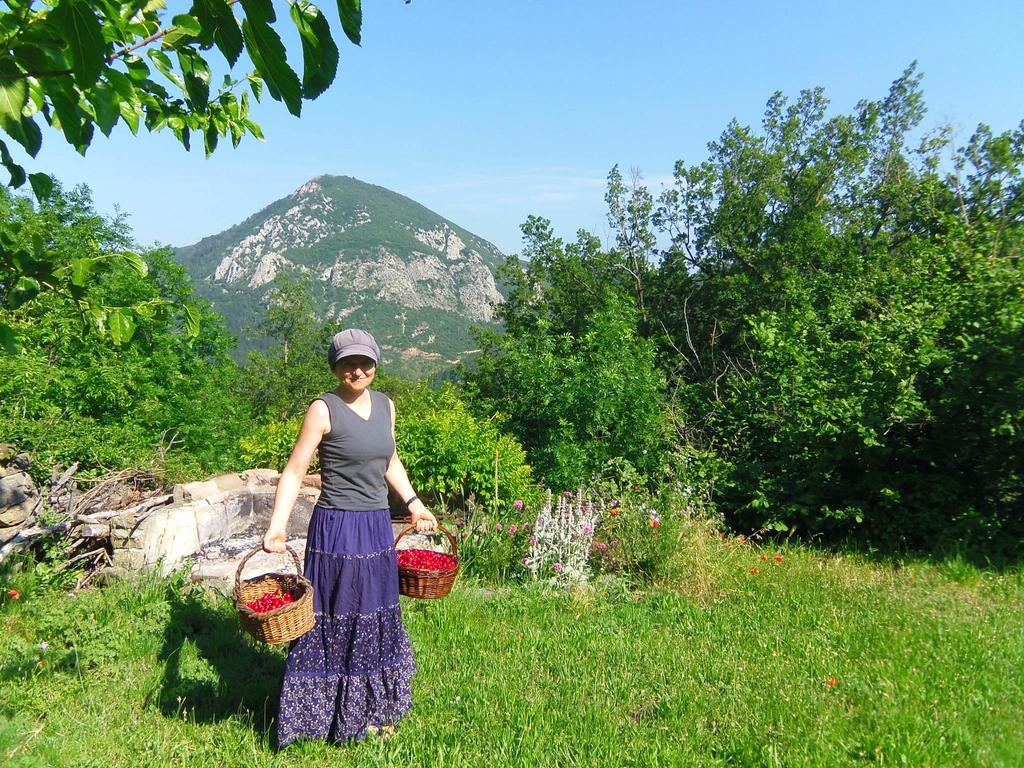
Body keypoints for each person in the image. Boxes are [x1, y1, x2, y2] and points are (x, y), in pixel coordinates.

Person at [262, 327, 437, 747]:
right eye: (347, 364)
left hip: (377, 525)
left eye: (365, 363)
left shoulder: (386, 406)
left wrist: (413, 502)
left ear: (376, 364)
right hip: (337, 529)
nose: (356, 371)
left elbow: (389, 458)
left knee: (375, 611)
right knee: (338, 613)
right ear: (336, 367)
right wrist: (277, 526)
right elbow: (293, 472)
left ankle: (375, 711)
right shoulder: (323, 409)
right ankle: (323, 716)